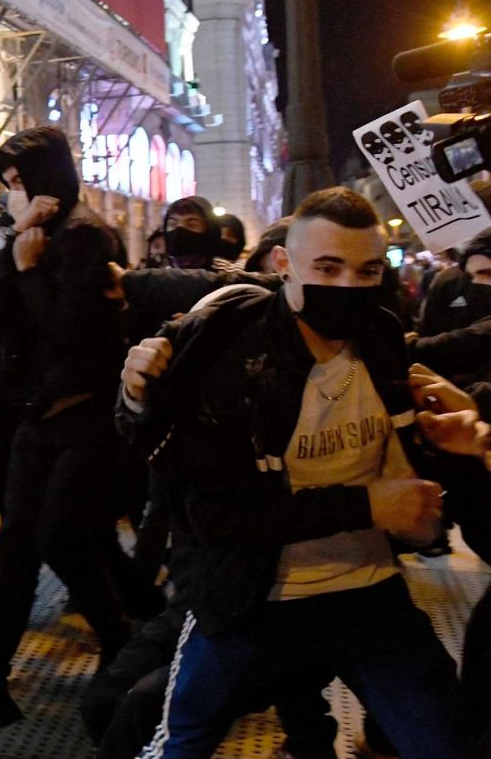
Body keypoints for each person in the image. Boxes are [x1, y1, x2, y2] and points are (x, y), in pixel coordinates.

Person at [117, 187, 481, 758]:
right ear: (284, 264)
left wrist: (451, 464)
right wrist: (368, 506)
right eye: (327, 267)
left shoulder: (380, 338)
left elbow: (417, 460)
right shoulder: (235, 353)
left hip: (368, 592)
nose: (347, 287)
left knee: (446, 742)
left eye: (366, 271)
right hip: (255, 598)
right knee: (179, 741)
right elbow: (215, 513)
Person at [0, 126, 136, 749]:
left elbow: (72, 336)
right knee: (17, 555)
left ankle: (124, 643)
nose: (11, 194)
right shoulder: (29, 235)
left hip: (84, 417)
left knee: (61, 536)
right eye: (6, 185)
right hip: (34, 418)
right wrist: (15, 251)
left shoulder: (86, 236)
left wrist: (28, 270)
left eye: (20, 181)